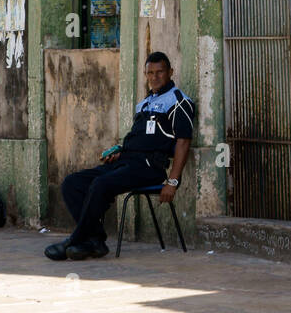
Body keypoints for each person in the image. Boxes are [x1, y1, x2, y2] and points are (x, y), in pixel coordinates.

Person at [45, 51, 195, 261]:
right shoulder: (144, 103)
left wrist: (173, 181)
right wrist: (119, 151)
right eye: (150, 73)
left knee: (100, 184)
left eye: (160, 72)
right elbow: (138, 137)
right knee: (72, 183)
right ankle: (95, 240)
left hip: (149, 166)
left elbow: (183, 142)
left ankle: (75, 240)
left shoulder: (179, 101)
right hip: (126, 161)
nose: (154, 77)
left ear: (170, 72)